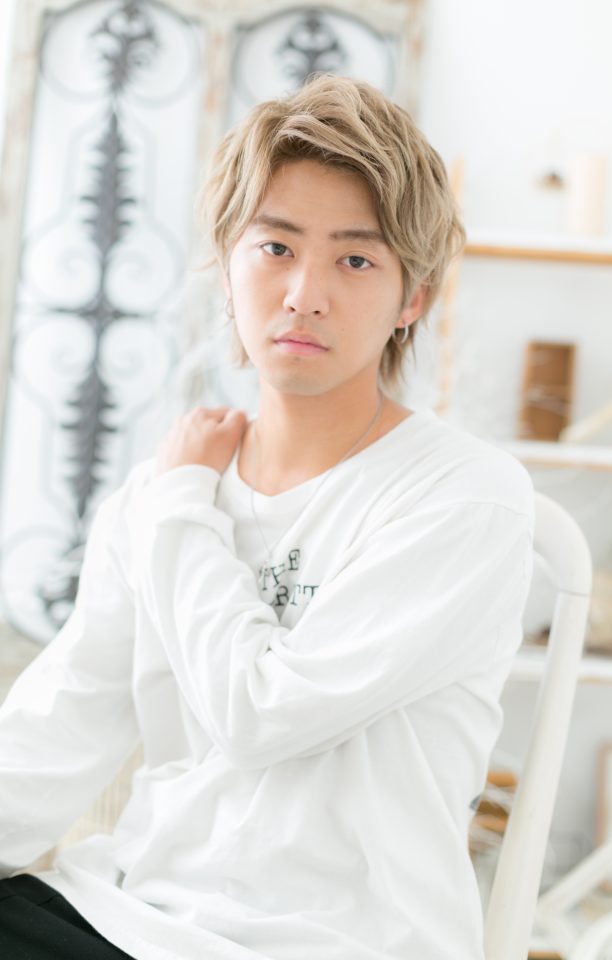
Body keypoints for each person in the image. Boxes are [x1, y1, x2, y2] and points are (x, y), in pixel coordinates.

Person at [0, 74, 534, 960]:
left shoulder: (462, 496)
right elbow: (60, 726)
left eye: (355, 260)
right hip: (129, 918)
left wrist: (182, 507)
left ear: (413, 298)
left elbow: (259, 715)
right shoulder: (158, 497)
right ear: (227, 264)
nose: (303, 294)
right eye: (276, 247)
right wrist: (175, 498)